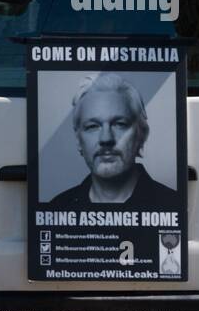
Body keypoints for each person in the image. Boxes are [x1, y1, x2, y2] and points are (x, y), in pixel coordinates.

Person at [48, 72, 177, 209]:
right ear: (79, 141)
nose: (106, 139)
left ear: (141, 135)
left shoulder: (171, 205)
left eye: (120, 124)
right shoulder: (57, 208)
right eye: (93, 126)